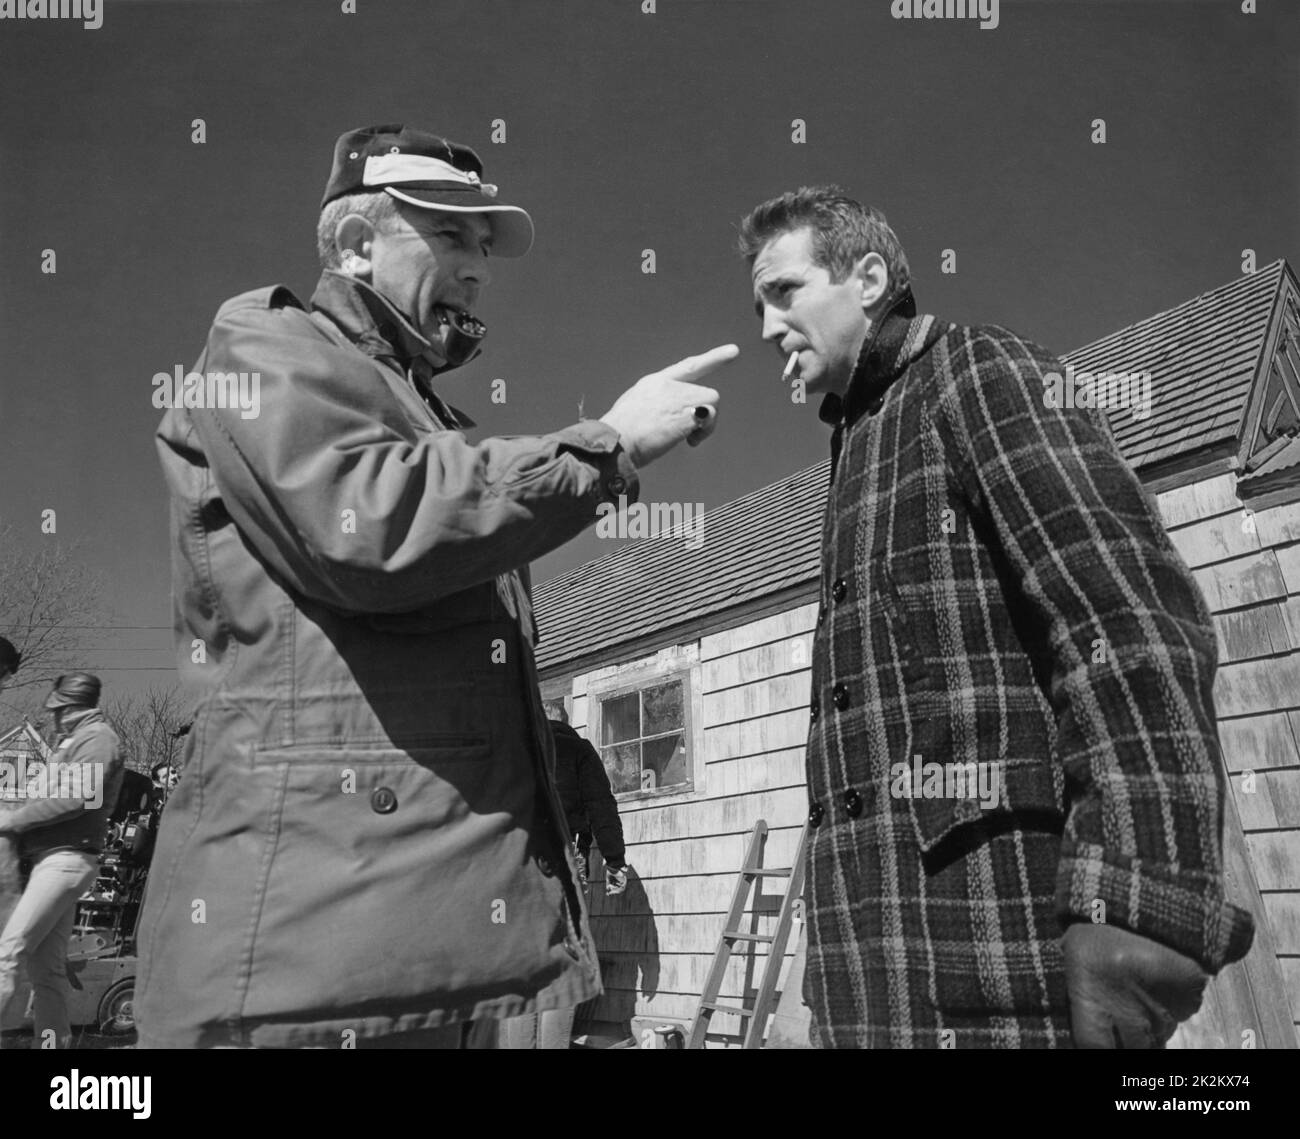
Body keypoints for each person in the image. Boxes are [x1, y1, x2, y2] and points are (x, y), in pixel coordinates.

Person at [134, 123, 736, 1048]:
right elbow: (362, 527)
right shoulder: (262, 341)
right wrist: (606, 443)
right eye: (451, 234)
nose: (477, 267)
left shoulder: (431, 414)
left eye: (483, 247)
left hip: (427, 964)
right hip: (301, 973)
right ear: (355, 242)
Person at [739, 186, 1253, 1049]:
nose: (764, 328)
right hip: (878, 990)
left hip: (1004, 974)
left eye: (782, 291)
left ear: (868, 278)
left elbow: (1126, 613)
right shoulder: (859, 448)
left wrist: (1139, 907)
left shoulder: (976, 369)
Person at [0, 673, 123, 1048]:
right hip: (55, 861)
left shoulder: (98, 739)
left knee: (7, 955)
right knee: (48, 973)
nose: (52, 717)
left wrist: (11, 819)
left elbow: (74, 800)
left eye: (57, 709)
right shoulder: (75, 741)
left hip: (66, 860)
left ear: (70, 706)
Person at [500, 700, 629, 1049]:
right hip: (563, 862)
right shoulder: (579, 749)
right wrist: (615, 860)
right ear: (566, 721)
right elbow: (601, 805)